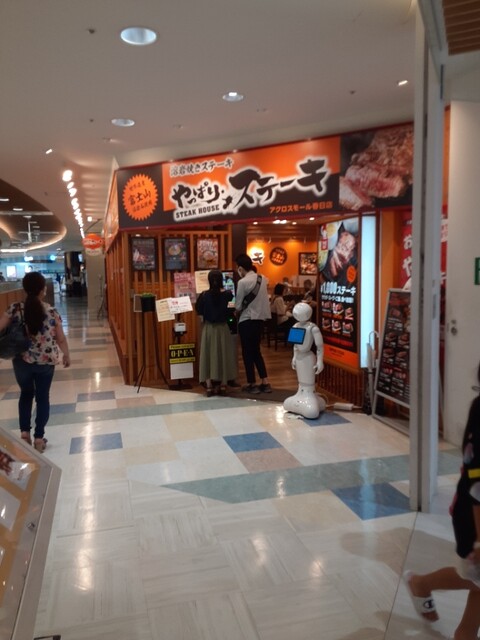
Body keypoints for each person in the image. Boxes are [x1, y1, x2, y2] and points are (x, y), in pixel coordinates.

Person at [404, 361, 480, 639]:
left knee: (476, 579)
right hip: (473, 515)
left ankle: (422, 585)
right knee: (476, 577)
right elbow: (476, 483)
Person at [0, 272, 71, 452]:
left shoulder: (15, 308)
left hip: (21, 361)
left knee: (25, 394)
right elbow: (60, 338)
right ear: (42, 289)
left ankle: (25, 434)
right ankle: (39, 438)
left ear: (25, 289)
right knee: (42, 398)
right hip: (45, 362)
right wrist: (66, 355)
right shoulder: (51, 312)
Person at [195, 270, 237, 397]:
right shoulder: (228, 295)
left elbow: (199, 311)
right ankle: (223, 385)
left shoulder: (203, 295)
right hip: (223, 329)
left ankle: (209, 386)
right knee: (223, 356)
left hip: (208, 329)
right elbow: (232, 310)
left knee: (208, 356)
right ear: (221, 280)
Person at [235, 253, 272, 394]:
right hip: (260, 320)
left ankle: (252, 383)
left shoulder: (242, 282)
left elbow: (238, 305)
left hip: (246, 320)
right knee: (257, 351)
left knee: (247, 353)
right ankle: (265, 382)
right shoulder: (262, 278)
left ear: (240, 268)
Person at [283, 302, 326, 419]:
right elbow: (295, 345)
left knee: (312, 411)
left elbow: (319, 346)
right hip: (299, 357)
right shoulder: (296, 326)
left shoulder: (313, 328)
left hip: (308, 357)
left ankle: (310, 395)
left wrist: (320, 360)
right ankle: (301, 394)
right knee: (301, 380)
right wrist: (294, 357)